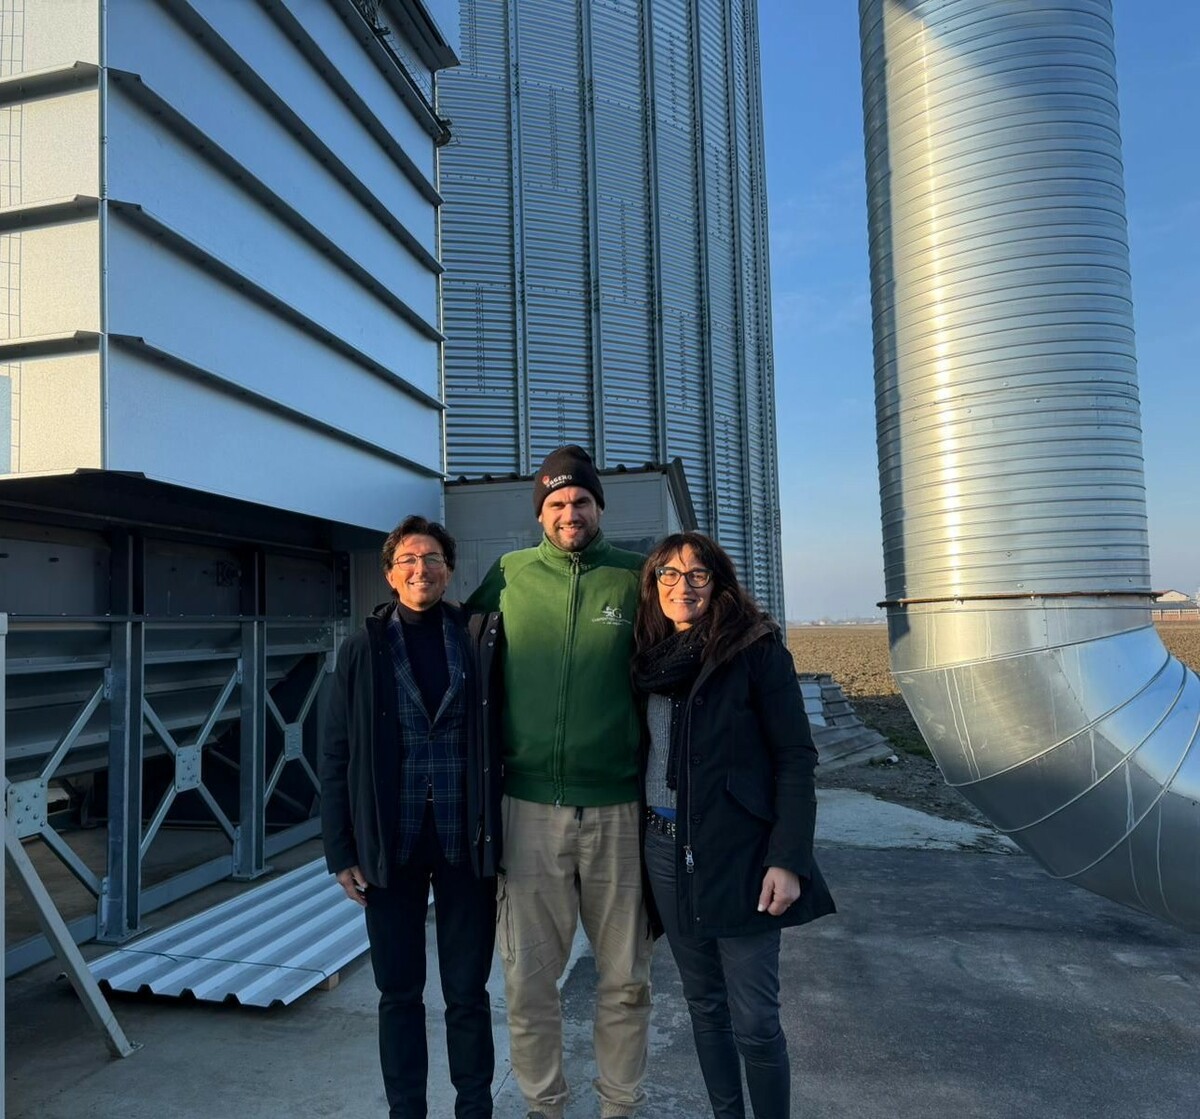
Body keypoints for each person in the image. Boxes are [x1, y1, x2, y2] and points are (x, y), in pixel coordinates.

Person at [467, 445, 651, 1119]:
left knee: (626, 981)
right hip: (528, 810)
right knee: (528, 982)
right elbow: (459, 652)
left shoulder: (636, 578)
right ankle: (544, 1107)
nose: (569, 512)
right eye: (556, 503)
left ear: (600, 506)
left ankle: (619, 1109)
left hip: (617, 809)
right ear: (539, 514)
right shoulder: (509, 575)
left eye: (580, 501)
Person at [631, 531, 835, 1119]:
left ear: (718, 582)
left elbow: (794, 757)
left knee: (756, 1019)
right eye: (669, 574)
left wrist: (787, 858)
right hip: (665, 850)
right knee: (704, 1006)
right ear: (654, 585)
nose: (683, 586)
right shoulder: (648, 656)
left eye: (697, 574)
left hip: (740, 853)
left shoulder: (755, 649)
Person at [321, 515, 504, 1119]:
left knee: (467, 993)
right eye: (408, 560)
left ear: (449, 571)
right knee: (398, 993)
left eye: (431, 559)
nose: (420, 569)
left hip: (463, 842)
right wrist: (340, 850)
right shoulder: (362, 650)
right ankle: (407, 1111)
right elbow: (336, 753)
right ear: (390, 574)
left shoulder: (477, 640)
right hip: (389, 845)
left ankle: (474, 1108)